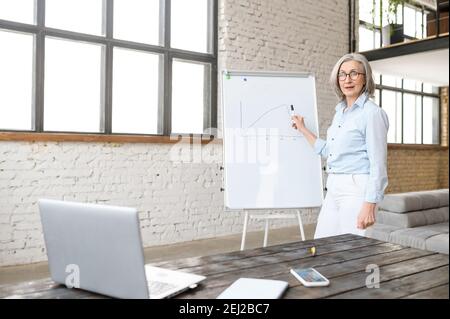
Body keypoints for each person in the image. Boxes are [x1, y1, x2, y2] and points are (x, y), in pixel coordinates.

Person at [292, 53, 389, 238]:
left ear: (365, 78)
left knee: (351, 252)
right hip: (334, 186)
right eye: (342, 74)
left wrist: (370, 204)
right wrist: (303, 129)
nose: (347, 79)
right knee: (323, 244)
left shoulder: (372, 114)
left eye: (354, 73)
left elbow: (378, 164)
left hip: (356, 187)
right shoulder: (340, 113)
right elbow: (329, 150)